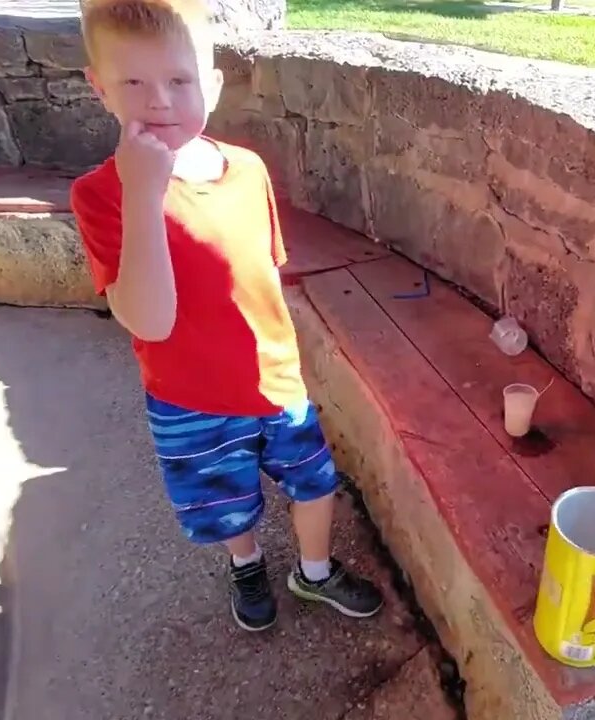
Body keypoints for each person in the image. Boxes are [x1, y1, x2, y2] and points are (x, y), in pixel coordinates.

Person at [68, 0, 384, 632]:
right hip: (189, 400)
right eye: (134, 83)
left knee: (316, 485)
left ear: (211, 83)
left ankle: (313, 574)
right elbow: (148, 320)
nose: (160, 101)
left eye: (180, 81)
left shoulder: (247, 170)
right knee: (227, 506)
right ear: (98, 88)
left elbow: (264, 274)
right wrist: (143, 192)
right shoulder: (101, 195)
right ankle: (247, 564)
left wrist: (287, 364)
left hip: (274, 382)